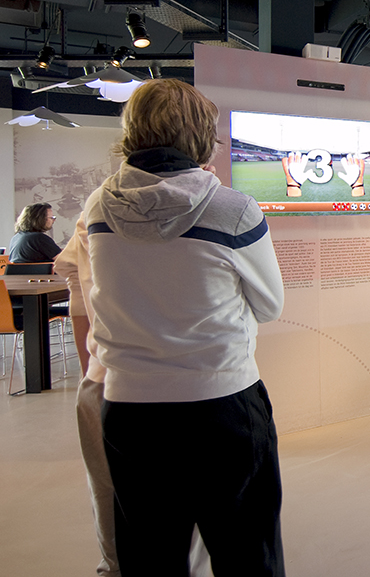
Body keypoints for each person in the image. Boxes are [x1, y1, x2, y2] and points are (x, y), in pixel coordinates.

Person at [82, 79, 286, 577]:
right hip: (222, 404)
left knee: (150, 557)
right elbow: (269, 306)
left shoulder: (98, 206)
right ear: (201, 136)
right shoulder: (234, 209)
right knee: (248, 555)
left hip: (129, 408)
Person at [55, 216, 213, 577]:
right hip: (187, 380)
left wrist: (92, 365)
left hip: (116, 377)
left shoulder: (96, 210)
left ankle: (119, 567)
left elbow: (75, 284)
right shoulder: (212, 208)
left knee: (116, 494)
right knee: (188, 499)